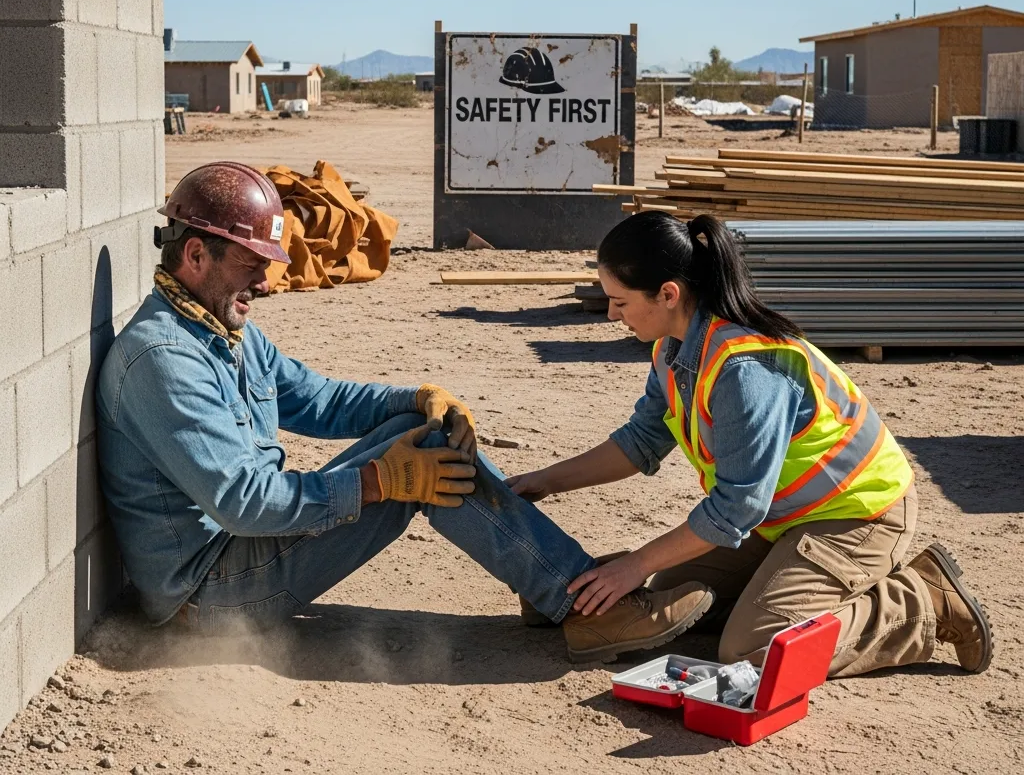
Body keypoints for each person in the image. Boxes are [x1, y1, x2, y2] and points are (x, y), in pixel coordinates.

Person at [96, 162, 712, 663]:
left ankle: (556, 586)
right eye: (251, 266)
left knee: (424, 432)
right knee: (422, 459)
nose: (264, 284)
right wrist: (378, 480)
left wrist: (415, 399)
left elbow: (314, 398)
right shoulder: (163, 361)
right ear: (197, 254)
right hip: (209, 593)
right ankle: (579, 605)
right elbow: (244, 502)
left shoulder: (220, 328)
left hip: (238, 555)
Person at [508, 211, 994, 676]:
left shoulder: (745, 369)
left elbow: (735, 508)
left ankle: (921, 600)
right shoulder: (672, 350)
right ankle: (784, 592)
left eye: (621, 302)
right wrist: (542, 481)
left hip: (858, 516)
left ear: (668, 293)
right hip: (779, 518)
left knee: (755, 649)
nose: (612, 315)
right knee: (672, 596)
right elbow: (640, 443)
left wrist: (632, 564)